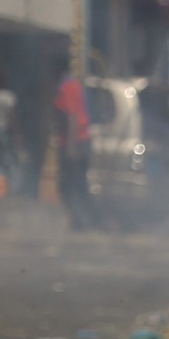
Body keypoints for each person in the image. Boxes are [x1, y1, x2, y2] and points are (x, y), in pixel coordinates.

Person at [51, 68, 99, 230]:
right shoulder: (75, 85)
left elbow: (72, 116)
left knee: (71, 185)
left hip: (76, 142)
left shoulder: (67, 87)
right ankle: (81, 222)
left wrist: (71, 146)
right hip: (80, 141)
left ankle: (83, 222)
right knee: (77, 184)